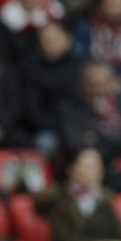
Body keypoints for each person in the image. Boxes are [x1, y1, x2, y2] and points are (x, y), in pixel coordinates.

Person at [56, 62, 121, 189]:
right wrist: (116, 141)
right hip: (91, 174)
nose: (98, 87)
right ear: (83, 83)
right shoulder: (69, 109)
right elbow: (74, 144)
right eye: (93, 83)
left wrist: (98, 136)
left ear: (111, 82)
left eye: (102, 82)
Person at [16, 21, 82, 153]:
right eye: (45, 40)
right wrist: (61, 127)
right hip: (47, 128)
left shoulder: (81, 67)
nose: (50, 44)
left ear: (68, 40)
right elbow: (32, 110)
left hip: (79, 124)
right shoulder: (30, 68)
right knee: (46, 143)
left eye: (55, 39)